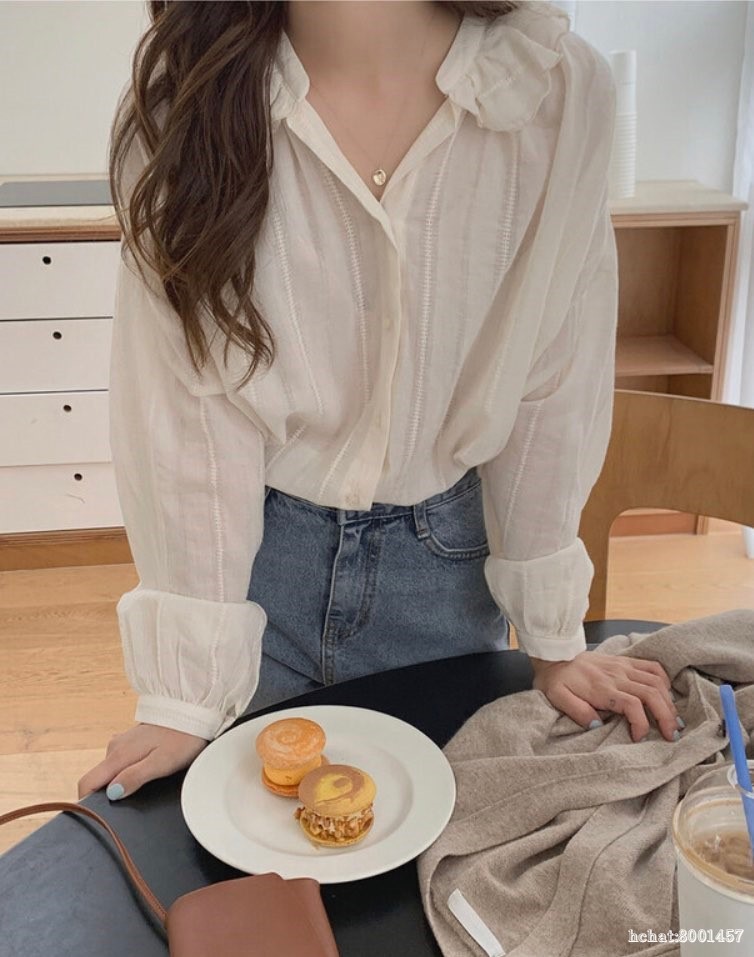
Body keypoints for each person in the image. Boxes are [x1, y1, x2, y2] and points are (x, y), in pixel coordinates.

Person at [78, 0, 682, 804]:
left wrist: (552, 637)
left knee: (428, 845)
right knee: (258, 850)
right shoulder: (181, 101)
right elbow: (188, 415)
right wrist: (183, 692)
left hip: (448, 573)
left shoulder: (557, 90)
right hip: (253, 571)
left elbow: (550, 376)